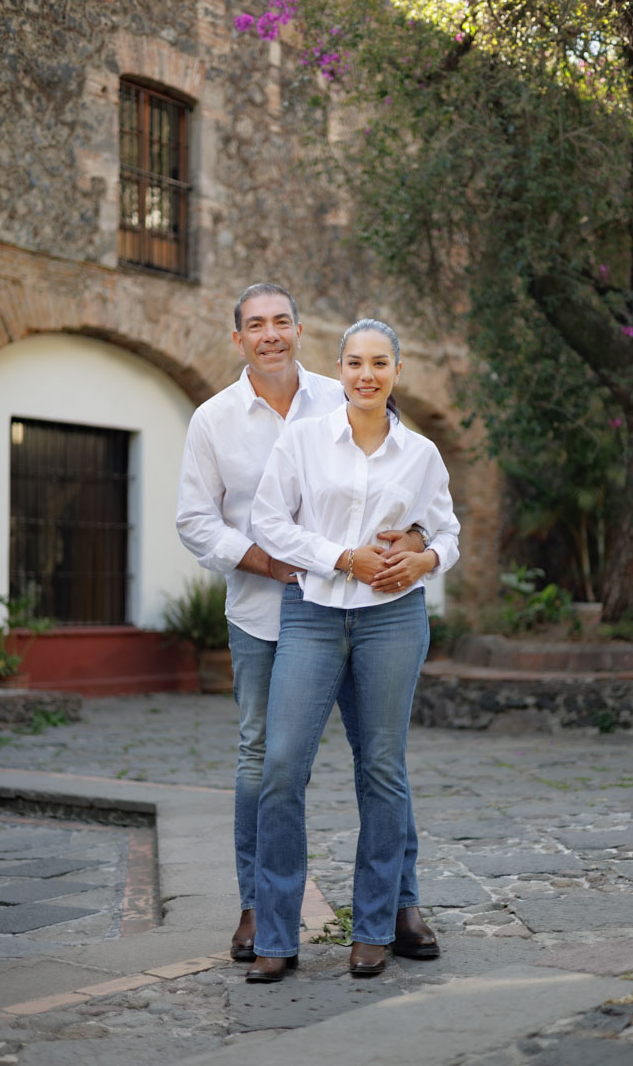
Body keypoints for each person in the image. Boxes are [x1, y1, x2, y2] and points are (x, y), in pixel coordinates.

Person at [176, 285, 439, 964]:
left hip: (358, 611)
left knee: (379, 759)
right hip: (268, 609)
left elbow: (411, 491)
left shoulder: (342, 391)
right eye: (255, 325)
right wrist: (267, 563)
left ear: (299, 332)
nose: (270, 334)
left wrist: (413, 541)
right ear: (238, 339)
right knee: (264, 760)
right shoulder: (213, 419)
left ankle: (398, 904)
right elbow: (196, 521)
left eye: (281, 322)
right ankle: (257, 910)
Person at [247, 317, 460, 982]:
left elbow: (447, 533)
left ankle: (375, 926)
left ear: (397, 372)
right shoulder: (304, 440)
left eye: (380, 363)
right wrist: (344, 557)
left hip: (393, 620)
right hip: (312, 614)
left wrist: (423, 560)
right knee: (281, 766)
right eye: (355, 362)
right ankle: (275, 934)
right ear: (337, 370)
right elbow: (267, 522)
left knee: (383, 770)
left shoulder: (420, 454)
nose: (367, 374)